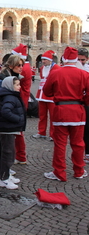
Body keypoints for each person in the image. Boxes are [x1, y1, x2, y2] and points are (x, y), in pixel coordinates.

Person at [43, 46, 89, 181]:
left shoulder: (56, 73)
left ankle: (59, 172)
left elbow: (47, 91)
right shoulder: (84, 74)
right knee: (78, 143)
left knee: (60, 144)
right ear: (76, 60)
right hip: (78, 112)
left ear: (63, 58)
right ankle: (79, 171)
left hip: (61, 111)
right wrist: (83, 100)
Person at [0, 76, 25, 189]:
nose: (19, 87)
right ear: (10, 86)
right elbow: (5, 111)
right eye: (17, 85)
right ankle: (4, 179)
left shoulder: (10, 96)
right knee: (8, 154)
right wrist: (17, 119)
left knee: (9, 153)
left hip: (8, 128)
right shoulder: (10, 97)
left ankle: (6, 175)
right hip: (7, 129)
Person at [32, 50, 60, 141]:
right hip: (41, 94)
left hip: (52, 95)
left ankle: (53, 134)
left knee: (53, 116)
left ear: (50, 60)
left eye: (45, 59)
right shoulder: (42, 68)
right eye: (42, 59)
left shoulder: (56, 68)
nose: (43, 61)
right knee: (42, 115)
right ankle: (41, 132)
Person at [11, 44, 30, 164]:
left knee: (18, 132)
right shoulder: (26, 67)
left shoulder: (23, 69)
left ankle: (21, 156)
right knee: (17, 131)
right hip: (22, 100)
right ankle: (20, 155)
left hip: (20, 101)